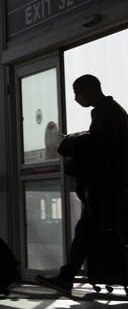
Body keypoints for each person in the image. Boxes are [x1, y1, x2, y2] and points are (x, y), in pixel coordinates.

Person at [37, 74, 128, 295]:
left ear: (90, 90)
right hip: (109, 187)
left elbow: (101, 150)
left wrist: (71, 146)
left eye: (78, 92)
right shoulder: (109, 112)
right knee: (89, 232)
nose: (77, 97)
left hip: (108, 188)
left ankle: (66, 277)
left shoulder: (107, 114)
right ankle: (66, 277)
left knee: (94, 232)